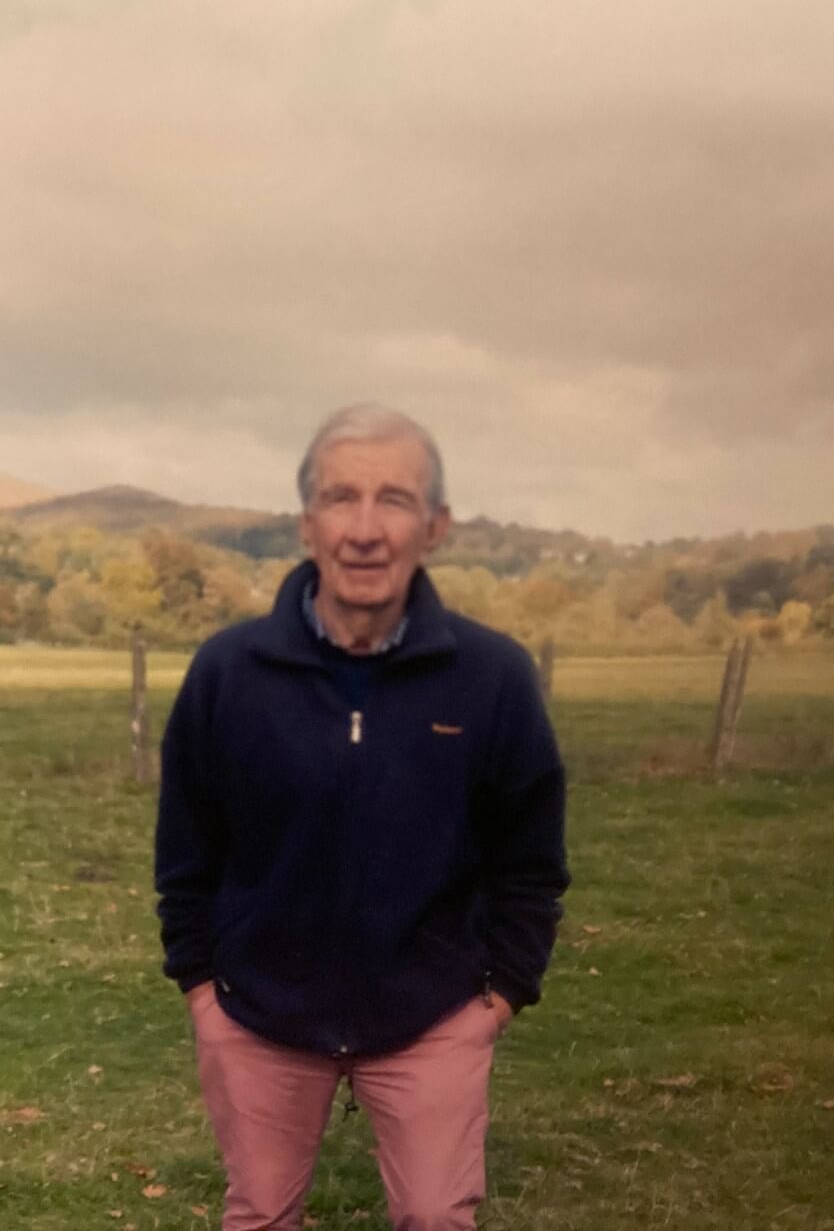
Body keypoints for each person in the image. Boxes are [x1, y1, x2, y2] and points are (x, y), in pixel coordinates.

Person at [155, 404, 569, 1231]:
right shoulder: (229, 672)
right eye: (342, 498)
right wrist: (202, 987)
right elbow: (187, 851)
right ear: (308, 524)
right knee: (263, 1216)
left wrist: (500, 996)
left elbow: (529, 861)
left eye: (396, 500)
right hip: (257, 1015)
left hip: (434, 1015)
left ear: (437, 526)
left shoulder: (491, 678)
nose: (366, 529)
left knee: (435, 1219)